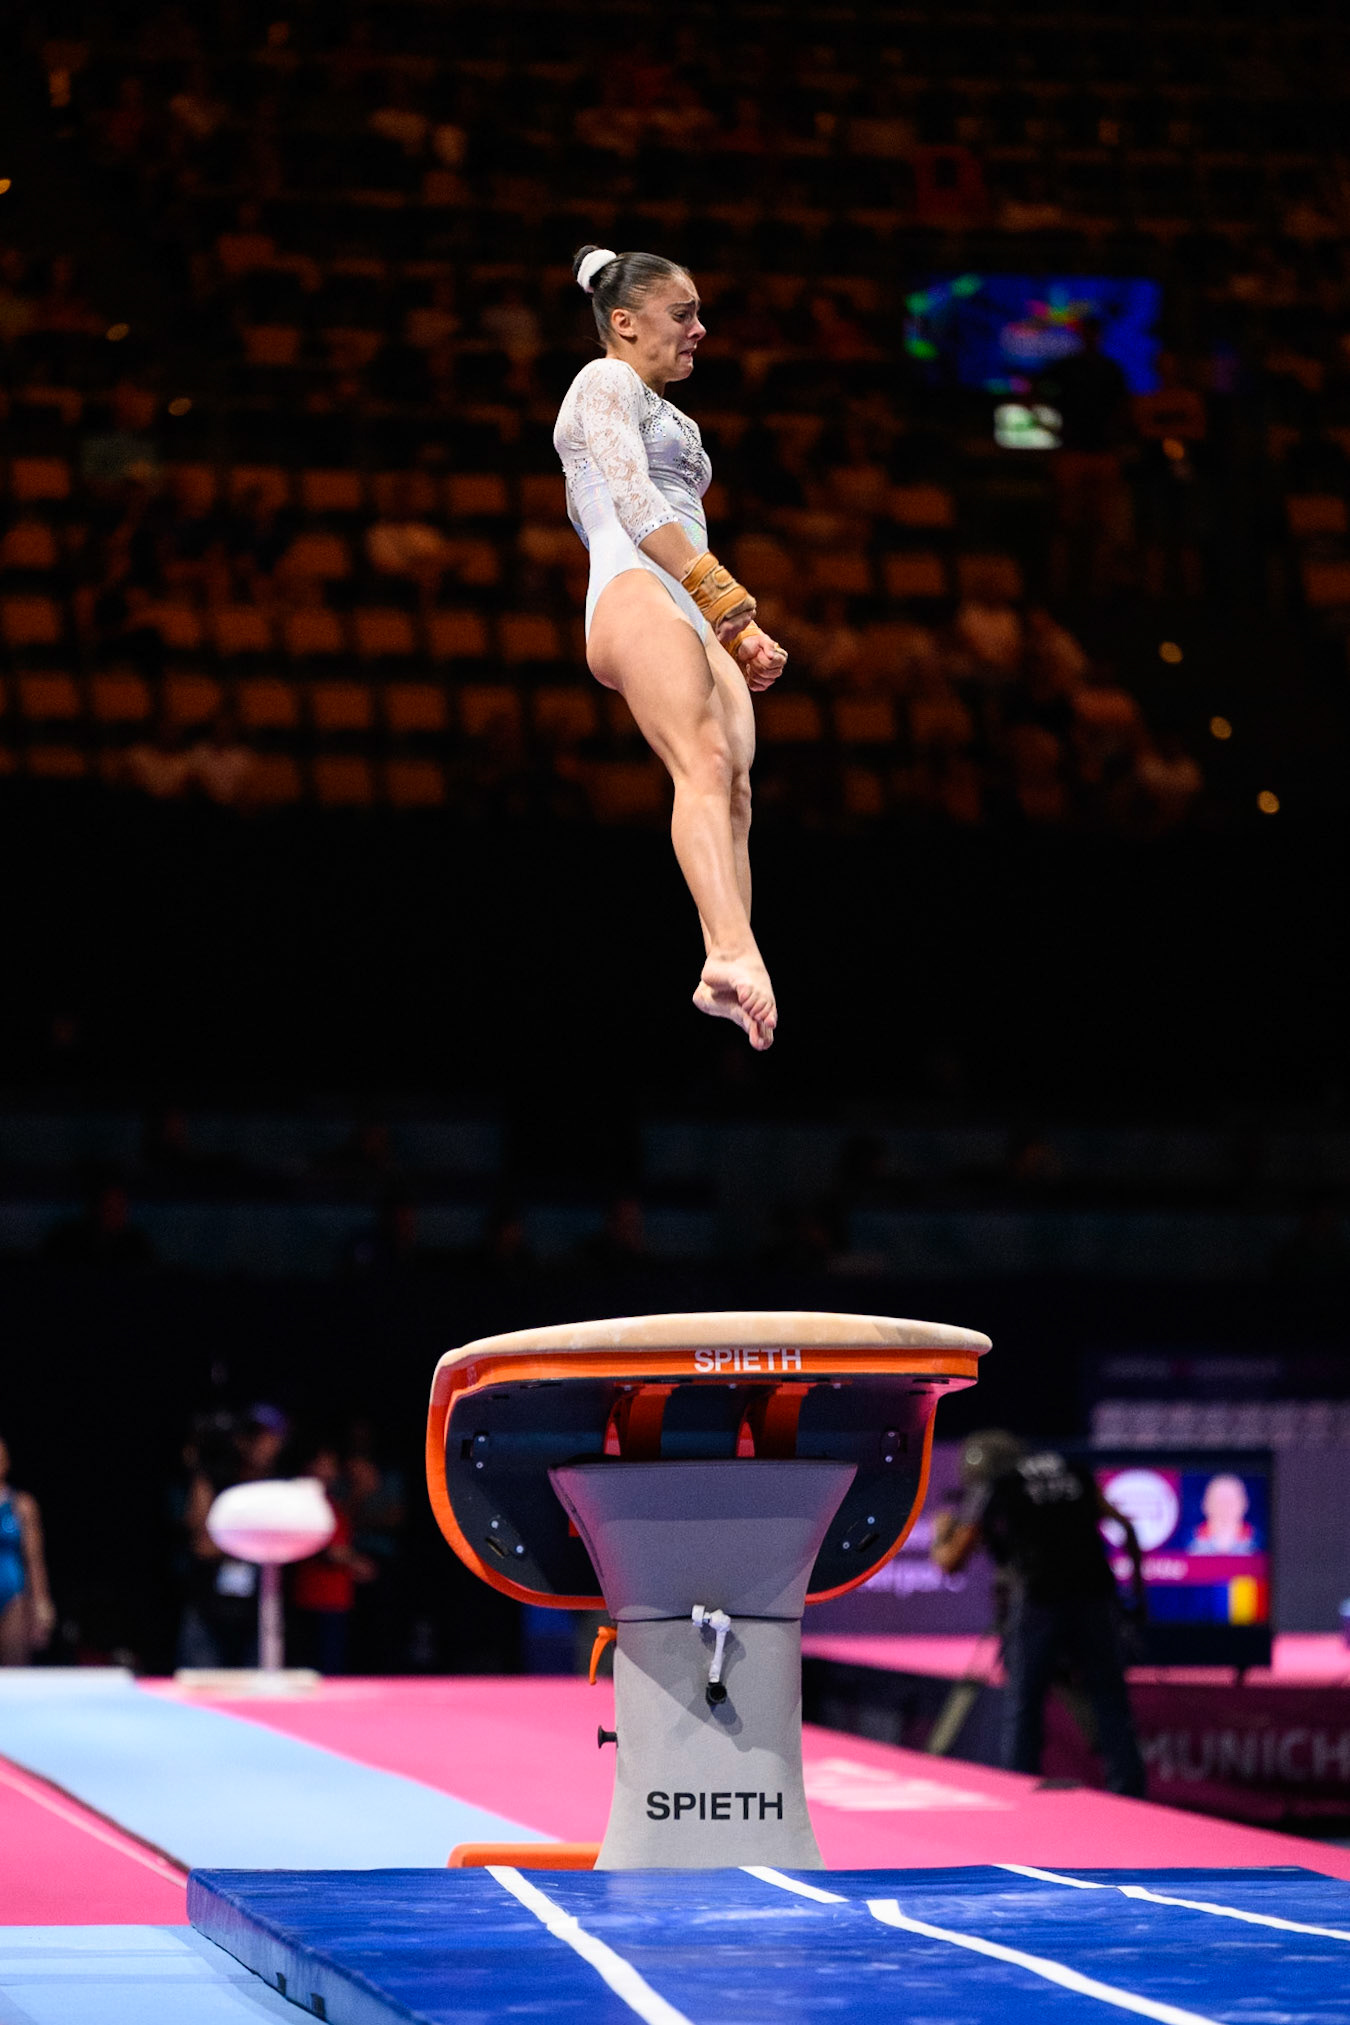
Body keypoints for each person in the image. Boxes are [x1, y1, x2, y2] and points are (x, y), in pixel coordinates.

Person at [554, 245, 788, 1050]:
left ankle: (726, 957)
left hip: (685, 598)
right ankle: (730, 949)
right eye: (682, 314)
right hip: (635, 588)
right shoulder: (604, 381)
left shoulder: (674, 414)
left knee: (734, 787)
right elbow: (631, 496)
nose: (700, 329)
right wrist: (732, 608)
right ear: (623, 322)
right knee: (704, 760)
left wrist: (726, 622)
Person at [932, 1431, 1147, 1797]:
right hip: (1094, 1597)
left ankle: (1020, 1790)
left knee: (1023, 1705)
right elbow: (1125, 1527)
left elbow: (952, 1562)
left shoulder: (998, 1486)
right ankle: (1130, 1792)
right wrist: (1138, 1596)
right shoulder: (1072, 1470)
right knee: (1111, 1700)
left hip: (1038, 1602)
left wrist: (941, 1534)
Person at [0, 1436, 56, 1665]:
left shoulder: (21, 1504)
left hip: (12, 1593)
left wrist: (42, 1604)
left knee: (13, 1670)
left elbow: (34, 1560)